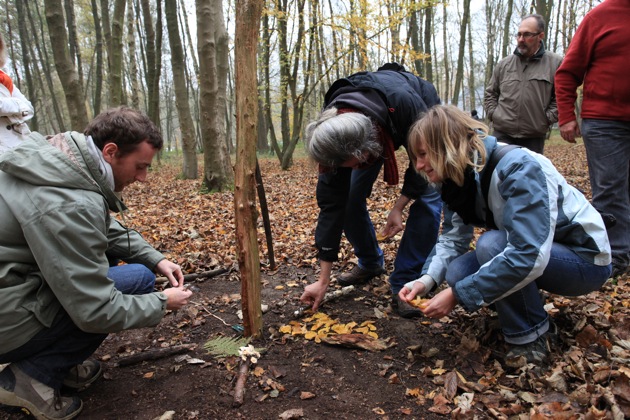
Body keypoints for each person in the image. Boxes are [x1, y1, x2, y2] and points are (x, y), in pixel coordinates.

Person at [0, 106, 193, 419]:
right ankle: (30, 377)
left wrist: (156, 258)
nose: (143, 178)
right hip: (6, 320)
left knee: (136, 270)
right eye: (140, 166)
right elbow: (95, 310)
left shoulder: (60, 160)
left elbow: (99, 225)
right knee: (137, 284)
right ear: (111, 151)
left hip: (10, 293)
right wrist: (161, 302)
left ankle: (56, 360)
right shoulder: (69, 202)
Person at [399, 105, 611, 367]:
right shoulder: (457, 181)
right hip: (542, 253)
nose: (419, 165)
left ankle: (533, 335)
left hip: (585, 260)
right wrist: (425, 281)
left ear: (448, 145)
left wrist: (457, 295)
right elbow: (453, 238)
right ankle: (525, 304)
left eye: (423, 155)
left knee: (492, 245)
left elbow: (528, 254)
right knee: (457, 273)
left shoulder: (518, 168)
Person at [299, 63, 442, 318]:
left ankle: (406, 281)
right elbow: (332, 205)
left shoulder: (409, 106)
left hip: (413, 113)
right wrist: (323, 280)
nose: (348, 170)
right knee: (350, 199)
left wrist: (398, 208)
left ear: (367, 153)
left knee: (429, 197)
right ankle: (370, 263)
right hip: (371, 123)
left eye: (351, 165)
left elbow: (420, 170)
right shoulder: (333, 127)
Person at [555, 0, 630, 279]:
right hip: (605, 120)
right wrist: (566, 116)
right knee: (610, 187)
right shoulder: (600, 16)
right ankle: (615, 255)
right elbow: (567, 72)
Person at [483, 14, 562, 155]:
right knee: (498, 175)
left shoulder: (555, 63)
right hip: (503, 134)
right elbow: (490, 93)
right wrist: (494, 115)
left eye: (527, 35)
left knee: (528, 175)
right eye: (518, 35)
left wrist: (545, 119)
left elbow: (561, 98)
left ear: (540, 36)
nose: (521, 39)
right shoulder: (504, 64)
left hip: (533, 136)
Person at [0, 33, 34, 154]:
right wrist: (17, 106)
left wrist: (11, 106)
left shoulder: (4, 79)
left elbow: (29, 109)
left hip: (21, 145)